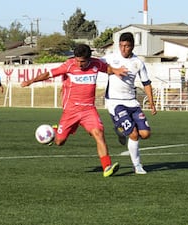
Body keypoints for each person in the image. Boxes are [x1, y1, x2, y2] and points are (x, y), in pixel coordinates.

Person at [20, 44, 121, 177]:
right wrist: (31, 81)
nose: (79, 64)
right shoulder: (69, 65)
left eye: (82, 61)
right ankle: (55, 130)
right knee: (59, 142)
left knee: (98, 133)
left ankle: (107, 167)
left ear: (89, 59)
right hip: (71, 111)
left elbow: (107, 68)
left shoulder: (96, 64)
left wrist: (117, 71)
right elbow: (48, 74)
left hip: (88, 110)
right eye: (77, 61)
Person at [102, 32, 157, 175]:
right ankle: (137, 165)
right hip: (115, 102)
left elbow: (146, 83)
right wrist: (114, 71)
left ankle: (119, 129)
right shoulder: (111, 58)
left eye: (126, 46)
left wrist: (151, 103)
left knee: (145, 134)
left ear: (132, 46)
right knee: (133, 134)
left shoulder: (138, 62)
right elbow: (95, 65)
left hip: (132, 102)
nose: (123, 49)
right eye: (121, 45)